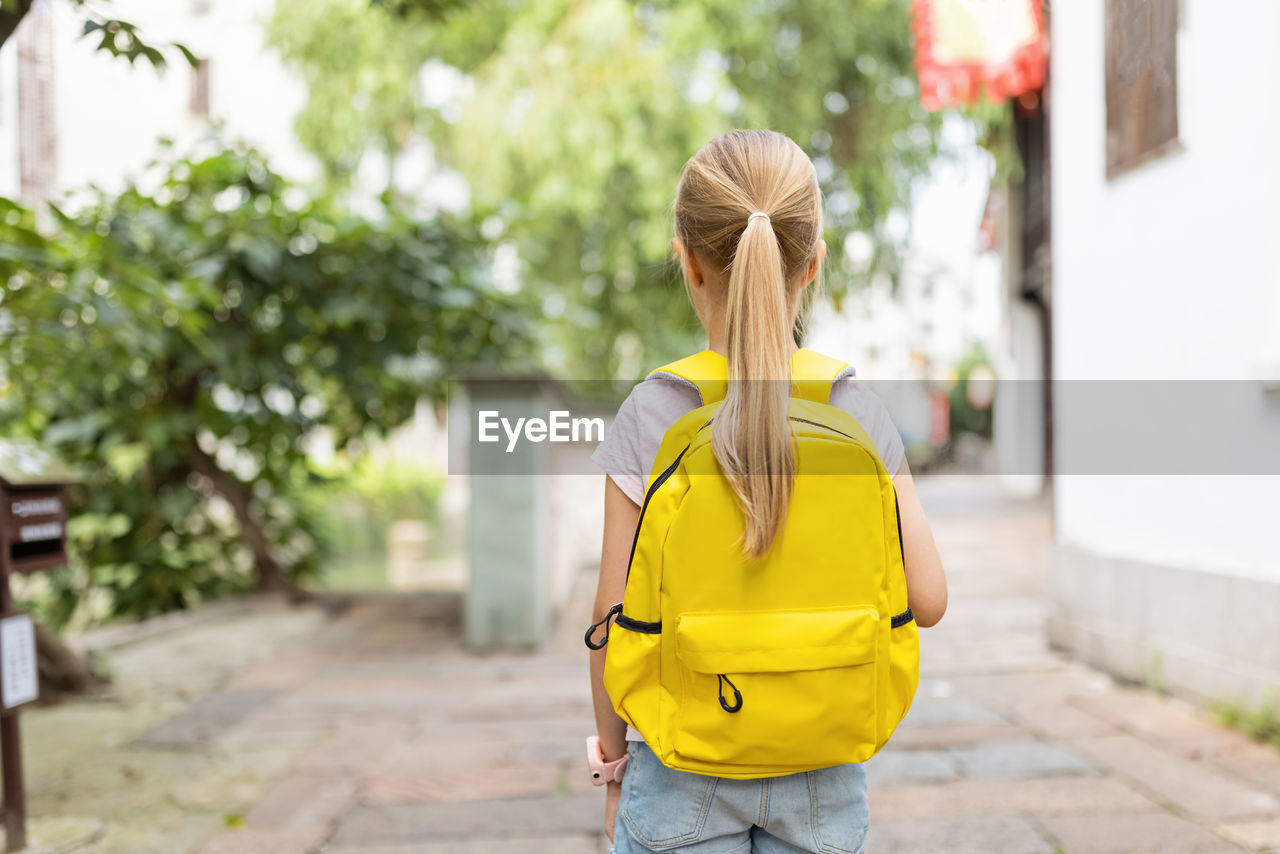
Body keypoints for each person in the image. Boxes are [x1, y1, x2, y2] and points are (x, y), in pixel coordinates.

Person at [586, 128, 948, 854]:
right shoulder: (854, 410)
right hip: (824, 767)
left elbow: (610, 614)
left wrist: (612, 758)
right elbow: (929, 600)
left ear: (688, 260)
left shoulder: (655, 411)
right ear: (812, 263)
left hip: (681, 755)